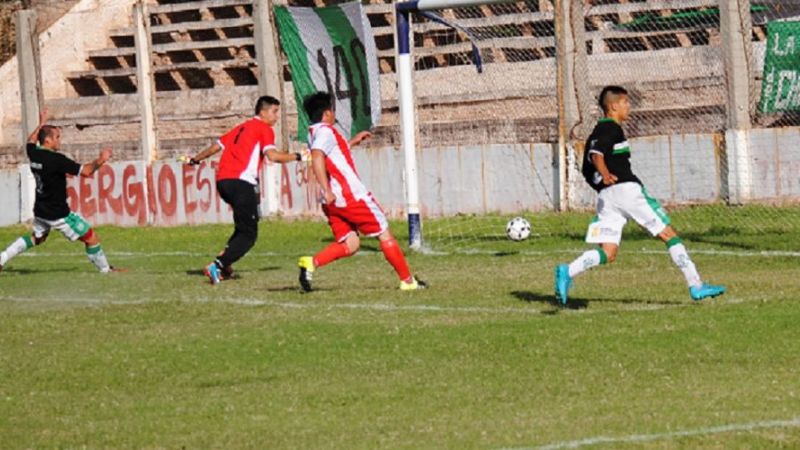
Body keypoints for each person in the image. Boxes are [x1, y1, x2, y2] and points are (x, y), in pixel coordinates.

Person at [554, 86, 725, 304]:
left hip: (607, 198)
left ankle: (568, 271)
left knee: (608, 252)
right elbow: (597, 156)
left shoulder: (596, 133)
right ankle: (697, 285)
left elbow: (589, 165)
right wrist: (606, 173)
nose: (628, 106)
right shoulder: (611, 129)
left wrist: (602, 180)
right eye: (625, 102)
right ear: (613, 106)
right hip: (627, 191)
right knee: (668, 235)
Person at [297, 91, 426, 292]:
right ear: (327, 113)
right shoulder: (326, 132)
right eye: (332, 108)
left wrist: (352, 142)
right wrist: (326, 188)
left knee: (351, 243)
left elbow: (332, 154)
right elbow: (317, 156)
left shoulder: (313, 132)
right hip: (350, 196)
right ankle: (408, 281)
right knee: (384, 232)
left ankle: (312, 263)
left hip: (333, 202)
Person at [186, 95, 306, 284]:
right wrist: (298, 156)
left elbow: (215, 147)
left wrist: (195, 160)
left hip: (223, 182)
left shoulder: (240, 128)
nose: (276, 117)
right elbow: (272, 156)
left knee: (244, 226)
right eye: (274, 112)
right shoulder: (263, 129)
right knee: (249, 235)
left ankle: (224, 265)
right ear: (263, 111)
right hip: (241, 183)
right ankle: (217, 265)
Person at [0, 110, 117, 273]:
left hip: (40, 210)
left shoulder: (34, 154)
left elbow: (31, 140)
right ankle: (106, 270)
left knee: (37, 238)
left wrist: (41, 123)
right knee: (91, 237)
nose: (59, 141)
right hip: (58, 214)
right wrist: (101, 159)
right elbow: (86, 172)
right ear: (47, 140)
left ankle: (3, 257)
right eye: (57, 137)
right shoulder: (57, 160)